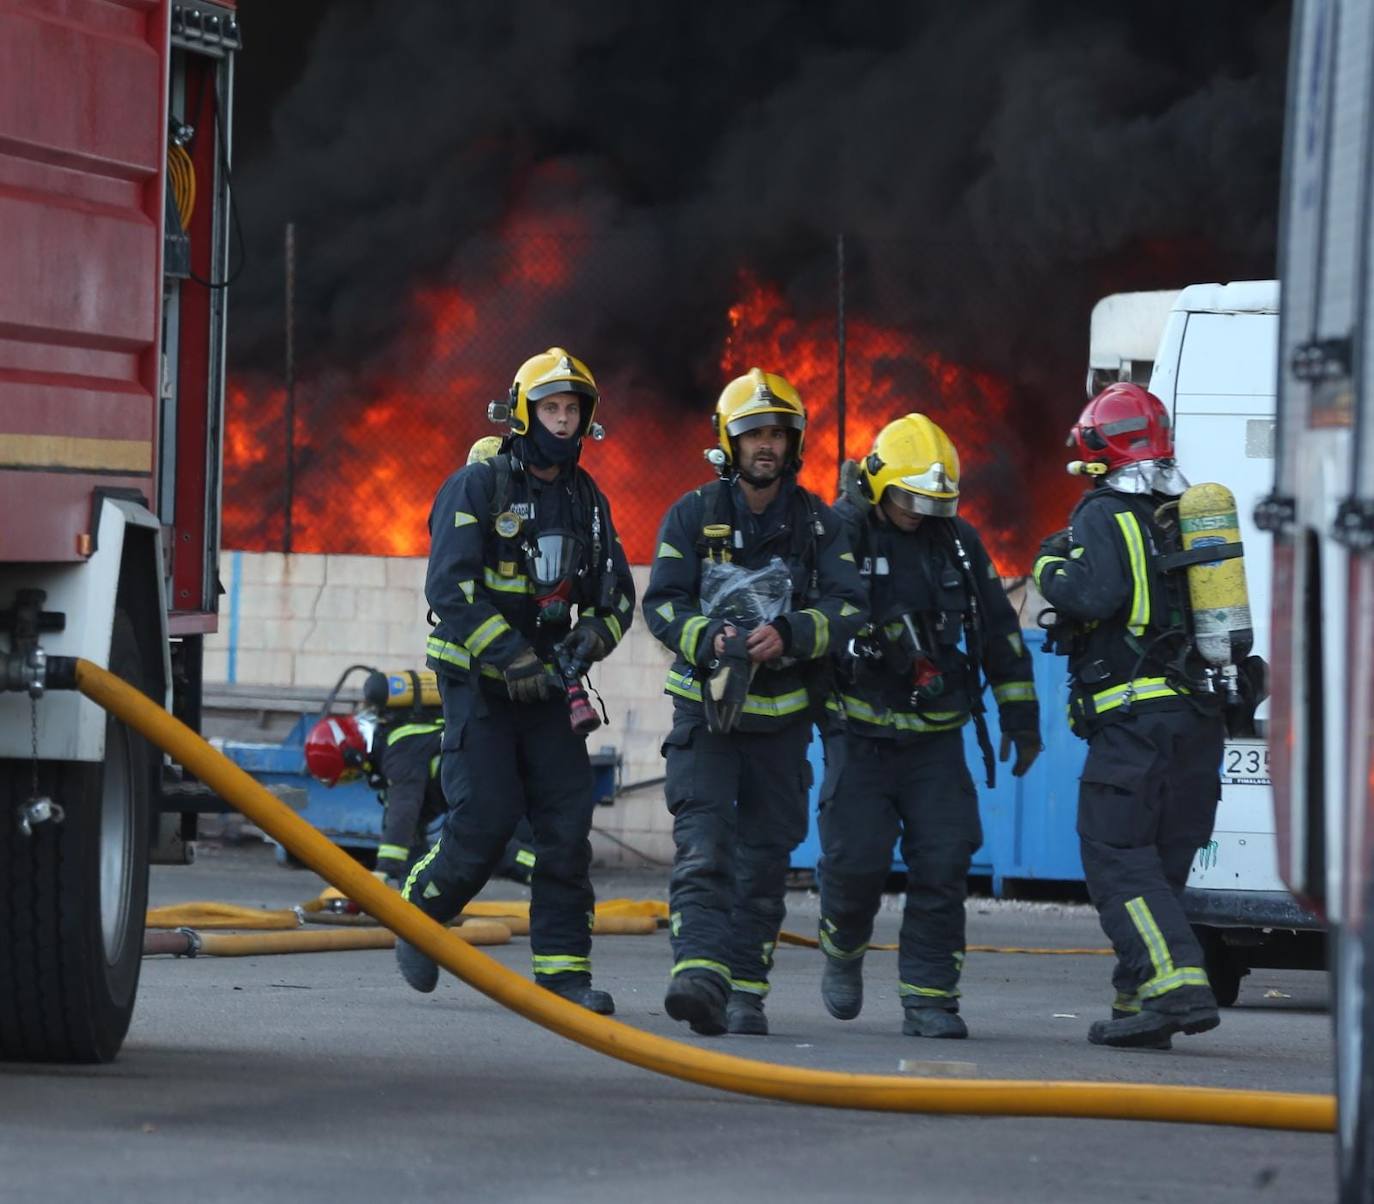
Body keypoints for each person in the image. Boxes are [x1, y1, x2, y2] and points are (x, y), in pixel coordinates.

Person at [396, 347, 635, 1014]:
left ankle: (564, 976)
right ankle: (418, 914)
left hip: (551, 688)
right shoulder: (478, 486)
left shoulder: (588, 503)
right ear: (523, 414)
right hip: (482, 685)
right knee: (486, 819)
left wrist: (589, 640)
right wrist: (511, 657)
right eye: (550, 408)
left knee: (565, 827)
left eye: (572, 410)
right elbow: (449, 587)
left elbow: (618, 596)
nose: (562, 421)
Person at [643, 368, 867, 1036]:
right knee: (705, 847)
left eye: (776, 434)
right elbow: (662, 604)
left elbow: (849, 606)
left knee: (765, 862)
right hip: (707, 718)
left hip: (781, 726)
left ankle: (744, 992)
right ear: (729, 441)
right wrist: (709, 638)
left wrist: (792, 633)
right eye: (752, 434)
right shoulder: (692, 514)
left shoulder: (820, 524)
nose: (765, 445)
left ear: (793, 443)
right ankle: (699, 975)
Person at [816, 414, 1041, 1039]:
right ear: (878, 483)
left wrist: (1021, 717)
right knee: (856, 861)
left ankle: (930, 999)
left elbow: (997, 629)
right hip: (859, 732)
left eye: (933, 502)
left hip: (936, 736)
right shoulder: (838, 535)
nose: (920, 512)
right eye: (909, 499)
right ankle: (843, 946)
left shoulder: (958, 543)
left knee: (944, 862)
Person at [1033, 382, 1226, 1049]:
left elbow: (1093, 596)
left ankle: (1176, 988)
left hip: (1134, 729)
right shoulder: (1183, 514)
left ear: (1100, 449)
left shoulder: (1103, 512)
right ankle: (1139, 1002)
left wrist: (1049, 562)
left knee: (1117, 857)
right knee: (1159, 868)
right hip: (1198, 726)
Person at [303, 707, 536, 887]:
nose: (355, 778)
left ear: (353, 753)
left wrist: (384, 870)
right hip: (481, 778)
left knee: (486, 845)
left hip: (487, 778)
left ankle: (548, 877)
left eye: (349, 774)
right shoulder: (392, 740)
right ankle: (417, 903)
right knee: (420, 841)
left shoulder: (397, 749)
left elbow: (404, 810)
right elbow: (405, 820)